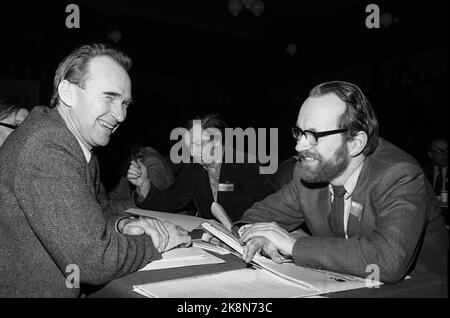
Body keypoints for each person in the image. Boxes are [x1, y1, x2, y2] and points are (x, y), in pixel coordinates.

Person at [0, 43, 190, 297]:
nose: (120, 115)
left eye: (125, 103)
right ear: (67, 93)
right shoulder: (47, 144)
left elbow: (96, 213)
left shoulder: (73, 142)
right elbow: (92, 262)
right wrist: (159, 239)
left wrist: (124, 225)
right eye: (109, 97)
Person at [236, 81, 448, 283]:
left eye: (312, 135)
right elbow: (255, 216)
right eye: (299, 133)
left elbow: (388, 261)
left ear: (355, 144)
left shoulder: (399, 175)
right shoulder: (309, 174)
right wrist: (259, 237)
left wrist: (293, 244)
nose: (299, 147)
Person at [127, 114, 275, 222]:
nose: (191, 152)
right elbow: (170, 201)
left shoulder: (246, 164)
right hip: (212, 242)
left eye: (197, 145)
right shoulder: (193, 168)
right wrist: (144, 184)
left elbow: (267, 209)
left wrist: (238, 231)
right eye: (189, 146)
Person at [108, 146, 176, 212]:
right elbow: (117, 193)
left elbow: (144, 205)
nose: (121, 174)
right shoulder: (132, 165)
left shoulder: (154, 163)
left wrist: (108, 207)